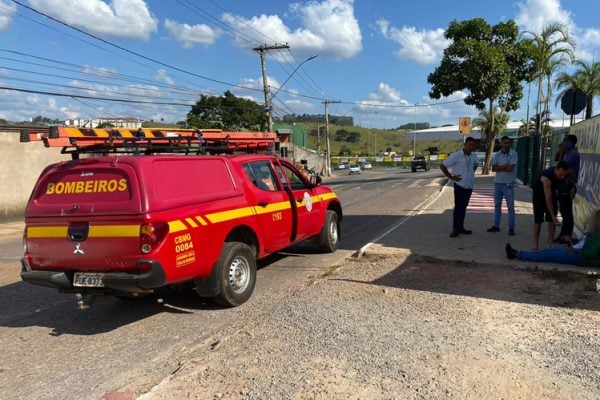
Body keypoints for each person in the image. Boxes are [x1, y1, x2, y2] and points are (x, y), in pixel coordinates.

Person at [505, 210, 600, 268]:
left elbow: (590, 254)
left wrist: (574, 250)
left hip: (580, 258)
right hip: (575, 251)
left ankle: (517, 254)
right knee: (547, 252)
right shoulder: (595, 232)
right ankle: (517, 253)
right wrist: (572, 240)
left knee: (547, 256)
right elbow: (586, 243)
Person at [440, 136, 478, 238]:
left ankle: (461, 228)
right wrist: (451, 177)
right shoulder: (456, 155)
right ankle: (455, 229)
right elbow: (443, 165)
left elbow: (475, 164)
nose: (471, 147)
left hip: (469, 185)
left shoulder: (473, 156)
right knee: (458, 208)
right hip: (460, 185)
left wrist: (470, 173)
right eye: (469, 145)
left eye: (473, 146)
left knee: (464, 207)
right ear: (465, 145)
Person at [531, 161, 571, 250]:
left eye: (564, 175)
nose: (562, 177)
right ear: (557, 169)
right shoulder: (546, 178)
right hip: (539, 195)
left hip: (551, 192)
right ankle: (535, 245)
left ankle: (550, 242)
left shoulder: (565, 173)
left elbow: (571, 175)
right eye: (560, 174)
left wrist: (573, 189)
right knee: (538, 220)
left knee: (552, 221)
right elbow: (548, 199)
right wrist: (553, 216)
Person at [487, 136, 518, 235]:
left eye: (508, 143)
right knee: (497, 206)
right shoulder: (497, 154)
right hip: (498, 183)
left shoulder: (513, 154)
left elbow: (510, 169)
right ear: (501, 143)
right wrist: (505, 165)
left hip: (508, 184)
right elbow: (493, 169)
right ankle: (496, 226)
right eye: (505, 142)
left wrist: (499, 168)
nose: (507, 144)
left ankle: (511, 227)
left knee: (510, 207)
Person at [554, 134, 580, 245]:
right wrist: (561, 151)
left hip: (568, 185)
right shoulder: (567, 152)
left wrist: (562, 152)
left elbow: (561, 166)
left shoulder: (573, 154)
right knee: (564, 212)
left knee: (567, 213)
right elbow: (556, 160)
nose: (564, 143)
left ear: (571, 142)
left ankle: (566, 235)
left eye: (566, 141)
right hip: (563, 184)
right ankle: (563, 235)